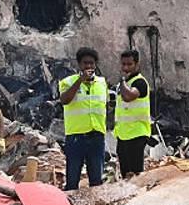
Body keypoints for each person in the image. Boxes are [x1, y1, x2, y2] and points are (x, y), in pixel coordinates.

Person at [58, 47, 107, 190]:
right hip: (76, 137)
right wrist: (80, 80)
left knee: (96, 180)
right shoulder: (68, 82)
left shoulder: (101, 83)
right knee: (72, 179)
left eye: (91, 63)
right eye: (85, 63)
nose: (89, 66)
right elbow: (65, 100)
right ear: (79, 64)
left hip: (96, 135)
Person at [114, 49, 151, 178]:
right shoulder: (124, 84)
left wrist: (122, 80)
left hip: (137, 133)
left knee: (136, 173)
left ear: (137, 64)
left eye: (129, 64)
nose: (126, 68)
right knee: (125, 173)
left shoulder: (140, 82)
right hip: (123, 134)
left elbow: (128, 96)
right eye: (123, 64)